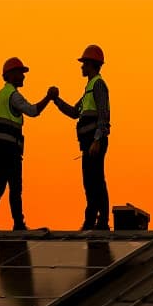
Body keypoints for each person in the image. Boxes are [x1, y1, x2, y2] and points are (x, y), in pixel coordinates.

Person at [0, 57, 58, 231]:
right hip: (8, 152)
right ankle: (17, 224)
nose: (23, 77)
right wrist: (48, 97)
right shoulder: (13, 95)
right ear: (10, 75)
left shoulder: (2, 94)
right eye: (20, 73)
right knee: (14, 189)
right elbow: (33, 111)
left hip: (0, 151)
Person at [52, 44, 111, 231]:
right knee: (89, 181)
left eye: (84, 63)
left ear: (92, 65)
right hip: (87, 144)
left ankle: (100, 221)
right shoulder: (88, 89)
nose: (81, 67)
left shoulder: (98, 85)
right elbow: (74, 112)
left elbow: (103, 115)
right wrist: (56, 100)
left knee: (96, 180)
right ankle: (92, 219)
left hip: (95, 142)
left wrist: (97, 140)